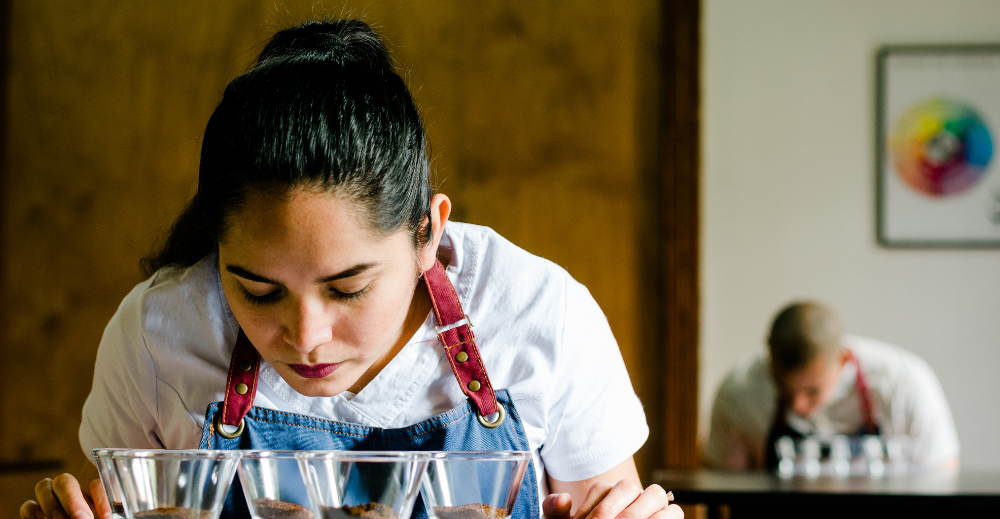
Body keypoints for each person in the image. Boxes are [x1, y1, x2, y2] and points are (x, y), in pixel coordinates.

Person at [20, 19, 681, 519]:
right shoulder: (160, 330)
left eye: (348, 287)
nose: (306, 335)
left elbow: (608, 499)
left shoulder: (537, 313)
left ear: (430, 232)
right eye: (256, 290)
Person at [704, 301, 960, 472]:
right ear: (769, 354)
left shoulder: (904, 384)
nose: (798, 405)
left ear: (843, 360)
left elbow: (942, 476)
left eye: (812, 390)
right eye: (783, 387)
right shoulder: (738, 393)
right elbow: (724, 485)